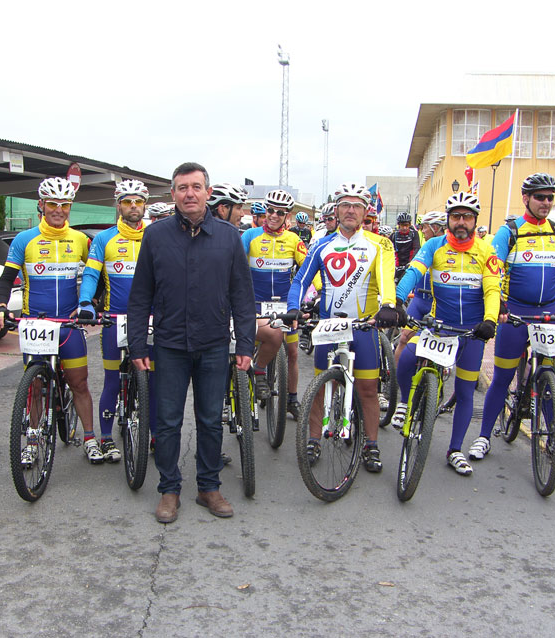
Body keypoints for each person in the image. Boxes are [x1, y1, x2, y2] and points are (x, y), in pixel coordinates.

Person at [128, 162, 255, 523]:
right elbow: (140, 296)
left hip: (214, 344)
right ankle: (169, 490)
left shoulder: (229, 237)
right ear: (172, 194)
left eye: (196, 187)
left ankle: (208, 488)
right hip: (168, 345)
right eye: (182, 187)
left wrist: (245, 344)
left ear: (207, 193)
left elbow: (242, 297)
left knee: (211, 420)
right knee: (167, 422)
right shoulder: (156, 236)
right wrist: (138, 345)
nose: (189, 194)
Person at [288, 182, 400, 474]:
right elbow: (301, 280)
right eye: (345, 205)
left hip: (363, 327)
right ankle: (314, 438)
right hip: (329, 325)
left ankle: (370, 444)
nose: (351, 210)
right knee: (323, 386)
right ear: (336, 210)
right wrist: (293, 307)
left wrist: (388, 305)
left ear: (366, 211)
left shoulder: (380, 244)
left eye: (357, 205)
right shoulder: (321, 245)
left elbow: (387, 278)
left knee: (367, 389)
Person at [0, 178, 100, 462]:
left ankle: (89, 438)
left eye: (64, 205)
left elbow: (97, 273)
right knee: (34, 386)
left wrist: (93, 301)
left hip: (69, 326)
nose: (58, 210)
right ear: (42, 205)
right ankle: (33, 441)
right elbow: (5, 280)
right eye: (53, 204)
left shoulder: (80, 240)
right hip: (36, 325)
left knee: (79, 384)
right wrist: (1, 306)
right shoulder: (24, 240)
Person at [475, 173, 555, 462]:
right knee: (502, 377)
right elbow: (492, 272)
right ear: (526, 199)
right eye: (540, 197)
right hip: (516, 314)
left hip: (550, 313)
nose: (546, 203)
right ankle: (484, 436)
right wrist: (500, 308)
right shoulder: (508, 232)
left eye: (550, 198)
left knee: (550, 380)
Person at [394, 193, 500, 475]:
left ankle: (455, 450)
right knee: (406, 359)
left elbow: (492, 288)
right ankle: (405, 402)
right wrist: (398, 300)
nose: (461, 222)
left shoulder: (486, 251)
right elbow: (413, 272)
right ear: (449, 220)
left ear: (475, 220)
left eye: (467, 217)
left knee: (465, 391)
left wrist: (489, 320)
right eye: (456, 216)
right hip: (438, 328)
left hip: (472, 333)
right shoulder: (433, 246)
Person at [77, 180, 155, 463]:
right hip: (113, 319)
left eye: (137, 201)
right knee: (112, 380)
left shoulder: (156, 235)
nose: (133, 206)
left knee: (153, 380)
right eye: (126, 201)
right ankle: (107, 438)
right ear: (118, 205)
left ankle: (156, 435)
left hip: (150, 320)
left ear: (144, 205)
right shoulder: (103, 239)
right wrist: (86, 302)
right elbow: (90, 275)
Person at [241, 189, 308, 418]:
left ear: (286, 216)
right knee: (256, 342)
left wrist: (318, 292)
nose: (274, 215)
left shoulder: (294, 240)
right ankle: (250, 381)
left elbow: (308, 270)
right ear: (264, 211)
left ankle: (291, 399)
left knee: (292, 352)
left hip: (284, 305)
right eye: (270, 210)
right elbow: (236, 267)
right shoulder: (250, 236)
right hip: (256, 303)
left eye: (280, 212)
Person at [393, 211, 447, 365]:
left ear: (436, 227)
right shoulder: (427, 246)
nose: (422, 231)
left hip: (436, 304)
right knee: (404, 338)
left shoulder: (448, 249)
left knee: (433, 343)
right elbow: (414, 271)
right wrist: (398, 297)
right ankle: (395, 381)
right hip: (419, 300)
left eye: (425, 227)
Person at [390, 211, 421, 283]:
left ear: (410, 224)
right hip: (397, 266)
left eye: (406, 225)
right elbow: (389, 250)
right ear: (398, 225)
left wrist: (411, 263)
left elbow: (417, 248)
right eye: (402, 225)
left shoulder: (414, 234)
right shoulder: (394, 235)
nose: (404, 228)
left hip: (409, 264)